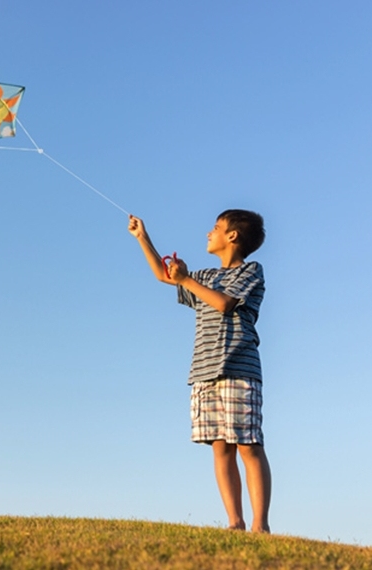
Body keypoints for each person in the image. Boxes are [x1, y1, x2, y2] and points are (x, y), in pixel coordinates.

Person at [127, 209, 272, 533]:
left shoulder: (251, 271)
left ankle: (260, 525)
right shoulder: (205, 276)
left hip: (238, 369)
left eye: (216, 228)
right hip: (204, 371)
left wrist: (187, 279)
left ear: (232, 236)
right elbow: (165, 277)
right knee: (220, 447)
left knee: (248, 445)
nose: (209, 233)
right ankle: (235, 522)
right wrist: (143, 238)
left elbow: (225, 304)